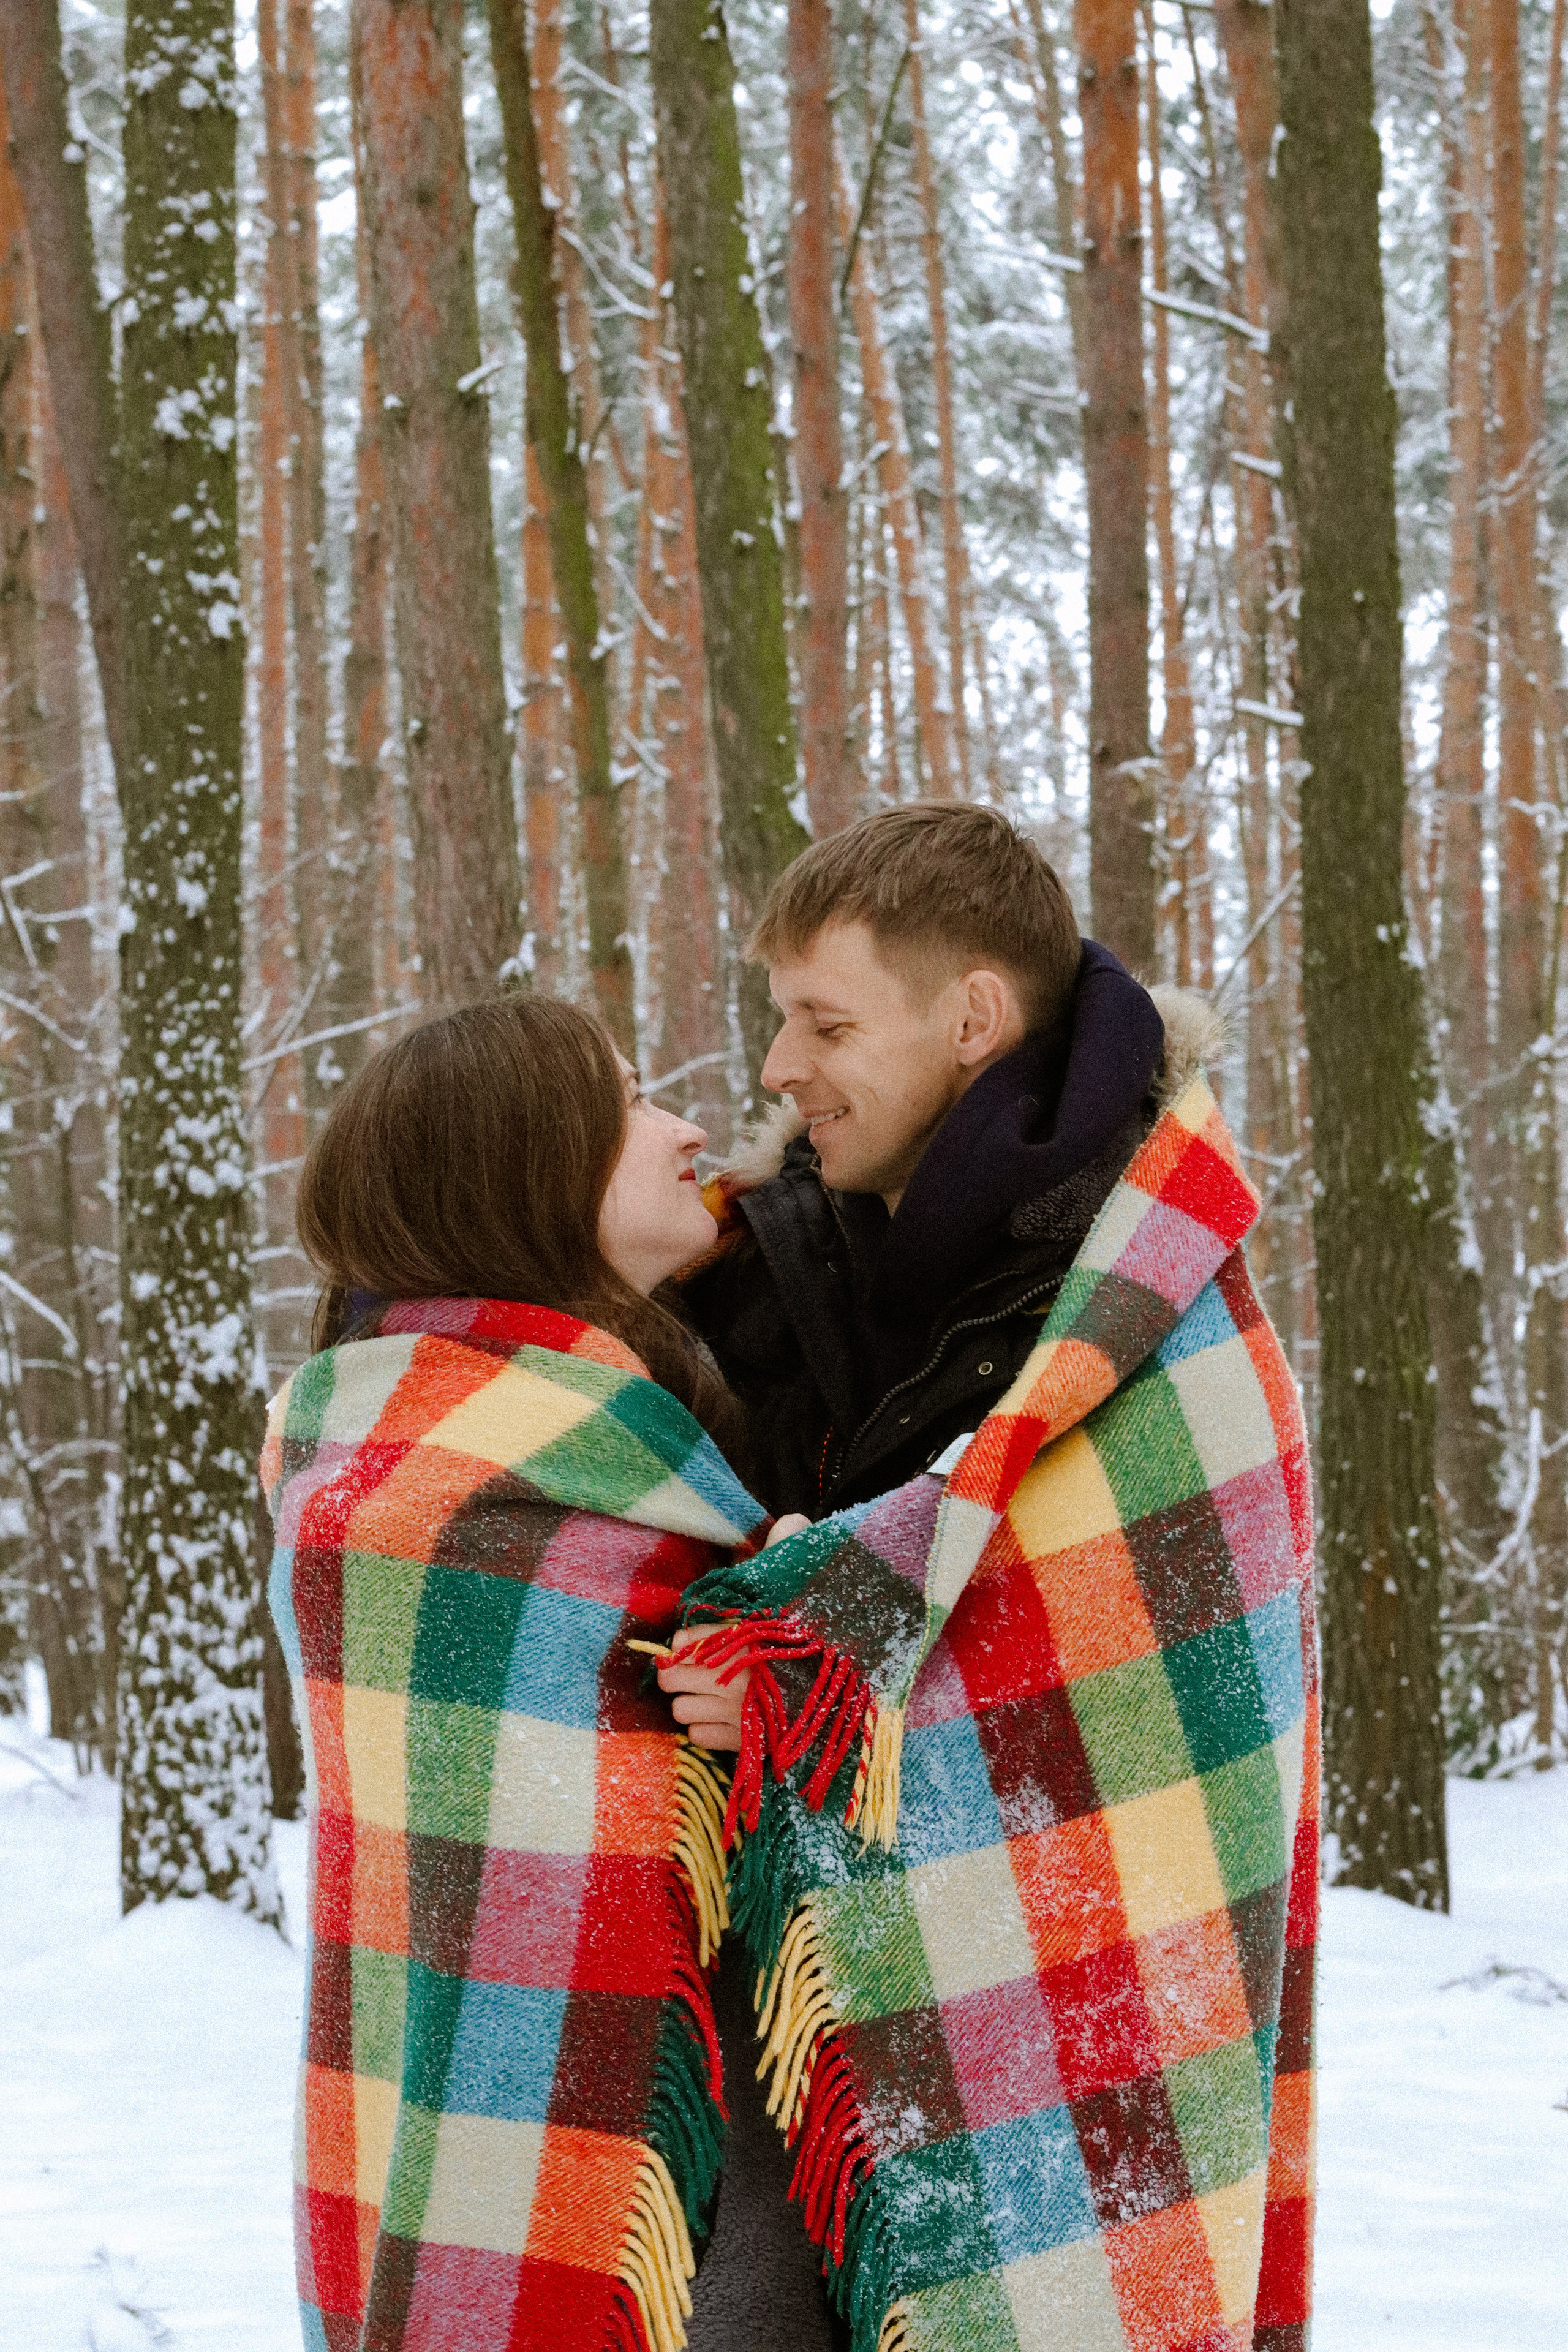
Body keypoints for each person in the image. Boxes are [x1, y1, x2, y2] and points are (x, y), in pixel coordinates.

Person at [262, 995, 821, 2352]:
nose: (687, 1125)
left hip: (721, 2111)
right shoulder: (409, 1490)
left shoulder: (637, 1418)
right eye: (629, 1101)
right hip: (620, 2153)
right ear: (522, 1164)